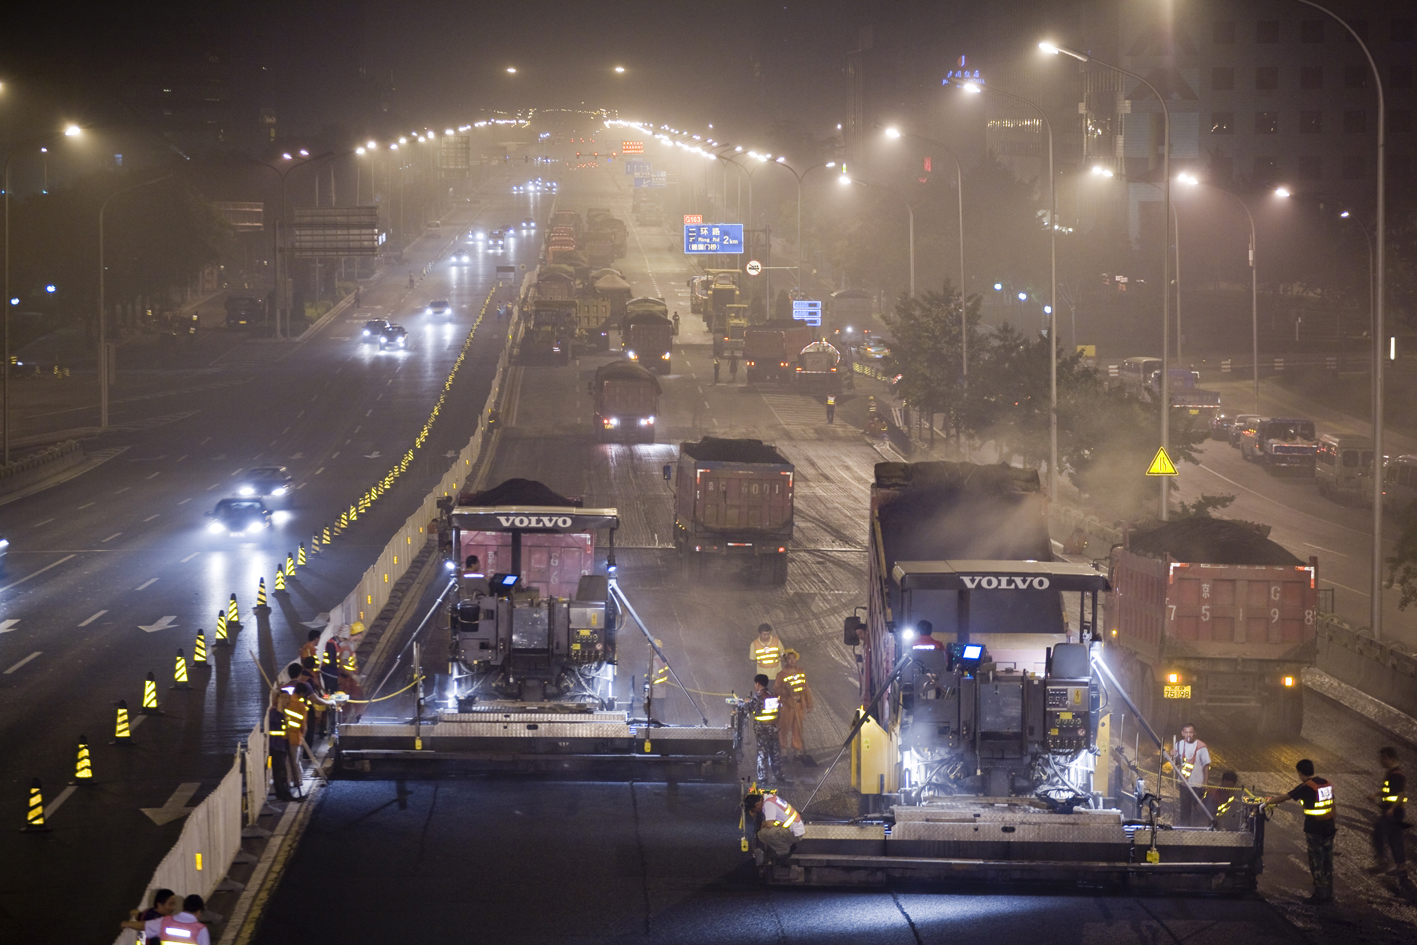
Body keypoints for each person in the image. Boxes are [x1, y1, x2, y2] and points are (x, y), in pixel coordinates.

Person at [1267, 758, 1337, 904]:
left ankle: (1320, 894)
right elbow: (1333, 805)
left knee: (1316, 861)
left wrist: (1267, 803)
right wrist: (1333, 822)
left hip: (1314, 829)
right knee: (1327, 860)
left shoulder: (1307, 786)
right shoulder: (1326, 783)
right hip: (1329, 827)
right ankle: (1329, 893)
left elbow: (1286, 797)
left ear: (1300, 772)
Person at [1369, 746, 1408, 880]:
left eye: (1383, 758)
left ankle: (1383, 863)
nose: (1381, 761)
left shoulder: (1396, 775)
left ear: (1389, 758)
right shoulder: (1392, 773)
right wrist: (1375, 795)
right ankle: (1401, 868)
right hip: (1393, 811)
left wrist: (1391, 809)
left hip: (1394, 812)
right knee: (1395, 839)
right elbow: (1389, 791)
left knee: (1378, 834)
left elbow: (1401, 794)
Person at [774, 650, 815, 765]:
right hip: (787, 705)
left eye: (793, 658)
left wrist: (809, 703)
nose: (792, 661)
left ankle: (797, 751)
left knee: (798, 728)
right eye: (789, 659)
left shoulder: (801, 672)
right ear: (786, 661)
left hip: (798, 704)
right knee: (784, 728)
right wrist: (785, 690)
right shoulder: (781, 675)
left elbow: (806, 688)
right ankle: (783, 751)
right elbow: (776, 689)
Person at [1168, 723, 1210, 827]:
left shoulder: (1201, 747)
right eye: (1186, 732)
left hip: (1197, 784)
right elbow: (1176, 764)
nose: (1188, 735)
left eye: (1191, 732)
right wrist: (1172, 756)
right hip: (1184, 783)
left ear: (1194, 733)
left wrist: (1205, 782)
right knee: (1185, 809)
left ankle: (1197, 829)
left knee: (1197, 809)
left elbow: (1206, 766)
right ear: (1182, 733)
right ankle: (1184, 829)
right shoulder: (1178, 745)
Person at [745, 674, 784, 784]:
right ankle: (779, 776)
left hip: (762, 731)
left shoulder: (758, 697)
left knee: (762, 755)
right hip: (774, 729)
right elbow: (779, 709)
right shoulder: (774, 696)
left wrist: (741, 703)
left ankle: (763, 779)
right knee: (775, 753)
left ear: (757, 684)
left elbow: (748, 708)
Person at [744, 790, 805, 859]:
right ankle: (788, 845)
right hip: (795, 829)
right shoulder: (769, 797)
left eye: (753, 809)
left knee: (763, 833)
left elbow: (769, 824)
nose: (755, 811)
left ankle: (784, 852)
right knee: (764, 833)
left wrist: (764, 823)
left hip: (794, 833)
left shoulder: (768, 804)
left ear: (757, 805)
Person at [268, 690, 298, 802]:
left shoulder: (284, 712)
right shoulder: (273, 712)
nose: (287, 701)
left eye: (288, 698)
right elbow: (277, 721)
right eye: (284, 698)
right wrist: (280, 704)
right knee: (279, 771)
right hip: (275, 746)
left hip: (282, 745)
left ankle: (284, 792)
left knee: (283, 770)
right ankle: (283, 793)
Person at [147, 894, 211, 945]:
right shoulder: (200, 929)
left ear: (183, 907)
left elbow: (143, 931)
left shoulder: (164, 922)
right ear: (199, 911)